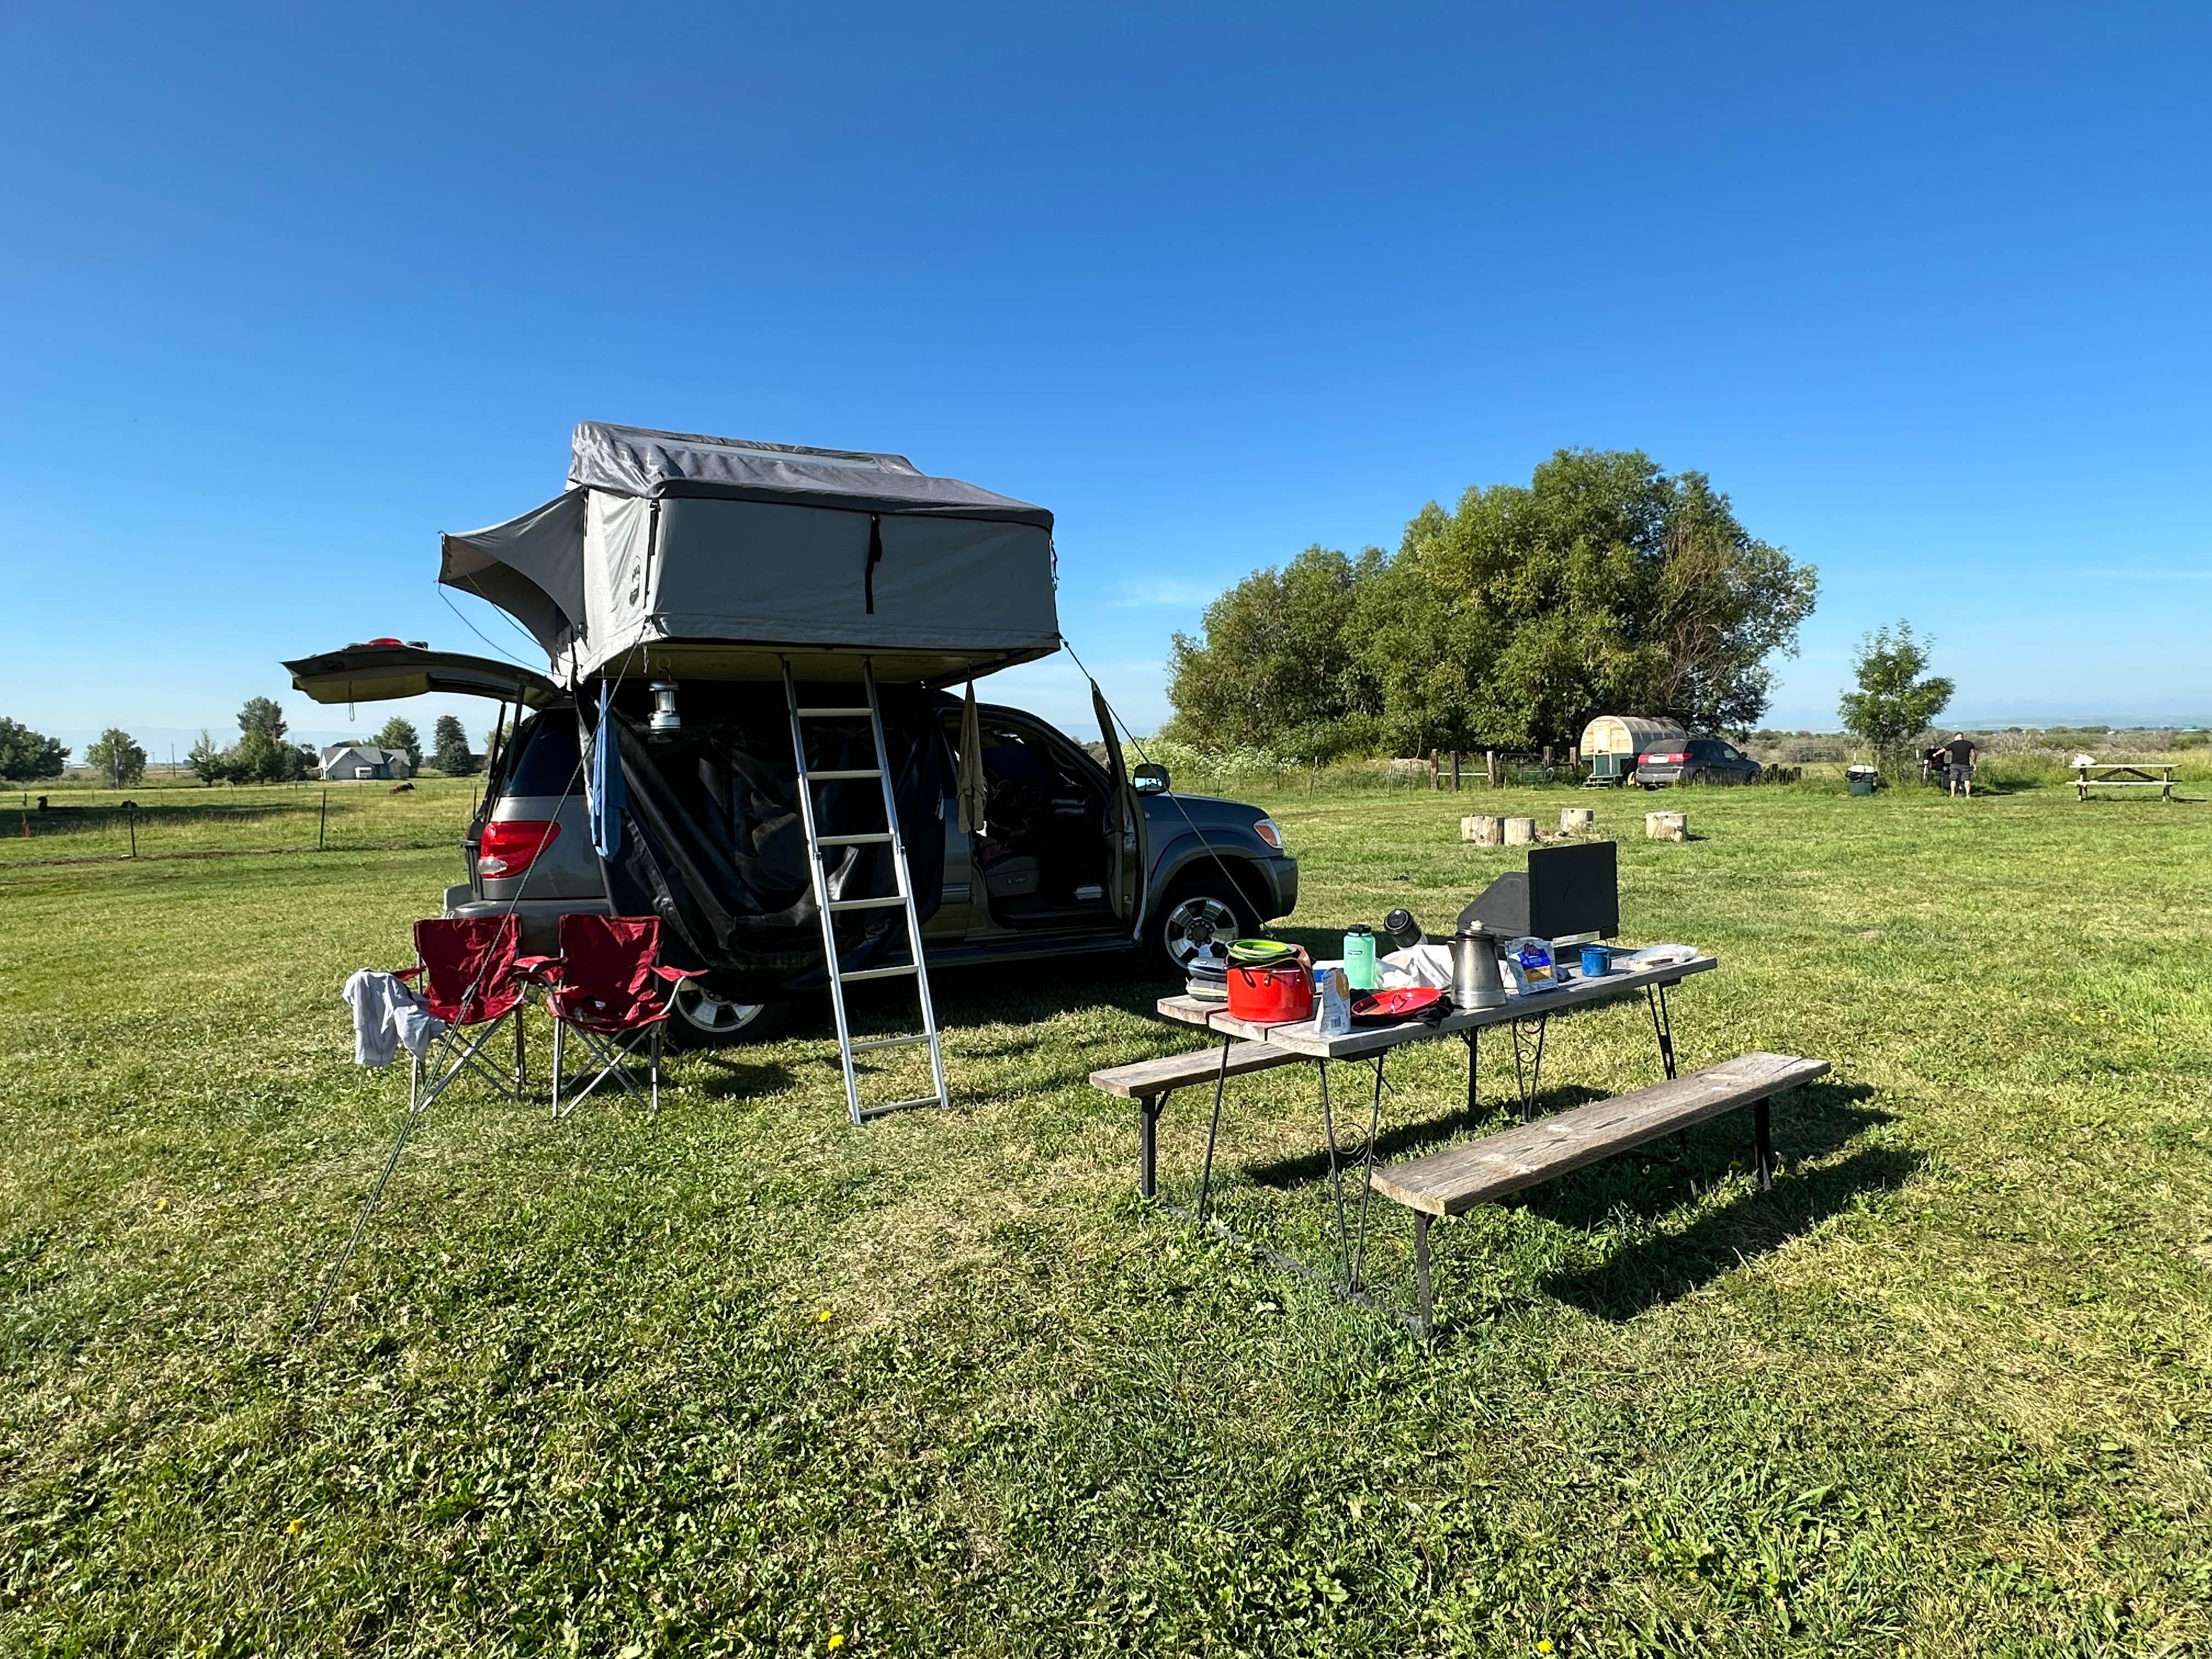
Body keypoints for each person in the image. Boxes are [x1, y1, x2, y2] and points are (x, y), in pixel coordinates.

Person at [1938, 732, 1978, 797]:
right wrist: (1974, 763)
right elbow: (1973, 754)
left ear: (1956, 737)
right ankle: (1968, 795)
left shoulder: (1953, 744)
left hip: (1955, 765)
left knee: (1953, 779)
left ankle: (1953, 795)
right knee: (1967, 779)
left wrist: (1936, 754)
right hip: (1965, 765)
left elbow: (1944, 750)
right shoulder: (1969, 744)